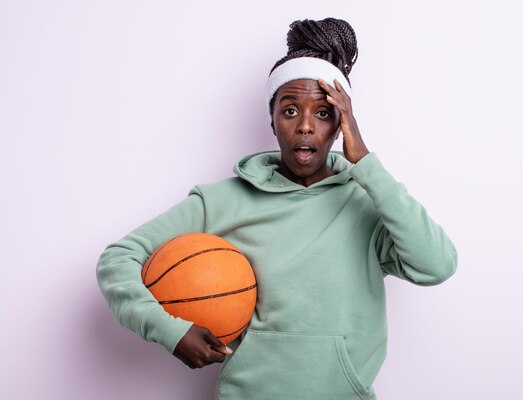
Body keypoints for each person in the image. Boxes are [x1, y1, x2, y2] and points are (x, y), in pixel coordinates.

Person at [97, 17, 457, 399]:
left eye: (323, 113)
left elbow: (436, 265)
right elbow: (118, 258)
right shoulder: (220, 201)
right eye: (289, 111)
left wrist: (366, 164)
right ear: (271, 120)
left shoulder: (367, 204)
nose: (305, 126)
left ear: (340, 127)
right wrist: (169, 329)